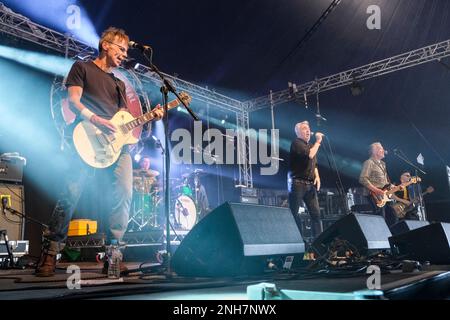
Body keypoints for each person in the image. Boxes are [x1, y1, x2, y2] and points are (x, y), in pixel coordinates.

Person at [35, 27, 164, 277]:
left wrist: (150, 116)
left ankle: (114, 256)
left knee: (124, 192)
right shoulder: (82, 69)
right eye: (121, 49)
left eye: (127, 51)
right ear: (106, 45)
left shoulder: (118, 83)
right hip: (85, 137)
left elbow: (124, 120)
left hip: (115, 147)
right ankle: (50, 252)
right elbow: (73, 100)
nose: (125, 55)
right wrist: (96, 120)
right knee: (71, 193)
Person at [288, 121, 324, 240]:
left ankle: (319, 243)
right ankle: (298, 240)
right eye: (304, 128)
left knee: (316, 215)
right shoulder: (297, 143)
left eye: (308, 128)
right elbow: (310, 155)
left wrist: (317, 177)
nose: (308, 130)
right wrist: (318, 141)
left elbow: (314, 164)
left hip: (310, 185)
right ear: (298, 131)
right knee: (294, 213)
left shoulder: (311, 145)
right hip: (298, 183)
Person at [359, 142, 397, 225]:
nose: (384, 150)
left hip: (385, 195)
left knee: (393, 216)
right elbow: (362, 179)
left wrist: (392, 186)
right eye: (381, 149)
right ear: (375, 151)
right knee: (381, 218)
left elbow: (384, 181)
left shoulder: (383, 164)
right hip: (375, 195)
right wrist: (377, 191)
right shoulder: (369, 163)